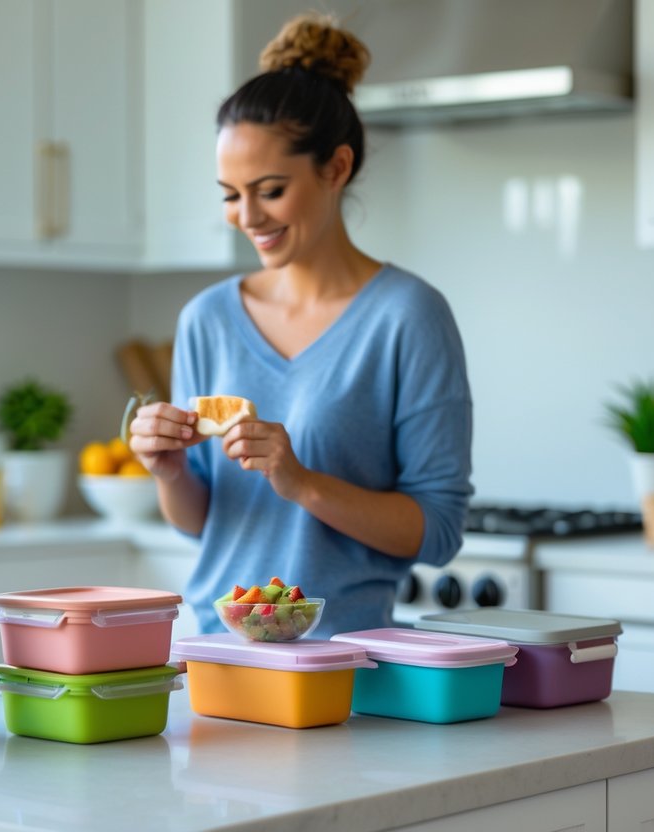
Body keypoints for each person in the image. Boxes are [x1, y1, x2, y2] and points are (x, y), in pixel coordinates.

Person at [127, 13, 473, 637]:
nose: (247, 216)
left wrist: (303, 482)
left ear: (335, 168)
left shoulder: (408, 317)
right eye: (231, 194)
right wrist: (169, 470)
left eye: (270, 190)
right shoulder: (206, 318)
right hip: (219, 654)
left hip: (345, 662)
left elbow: (439, 531)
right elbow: (200, 521)